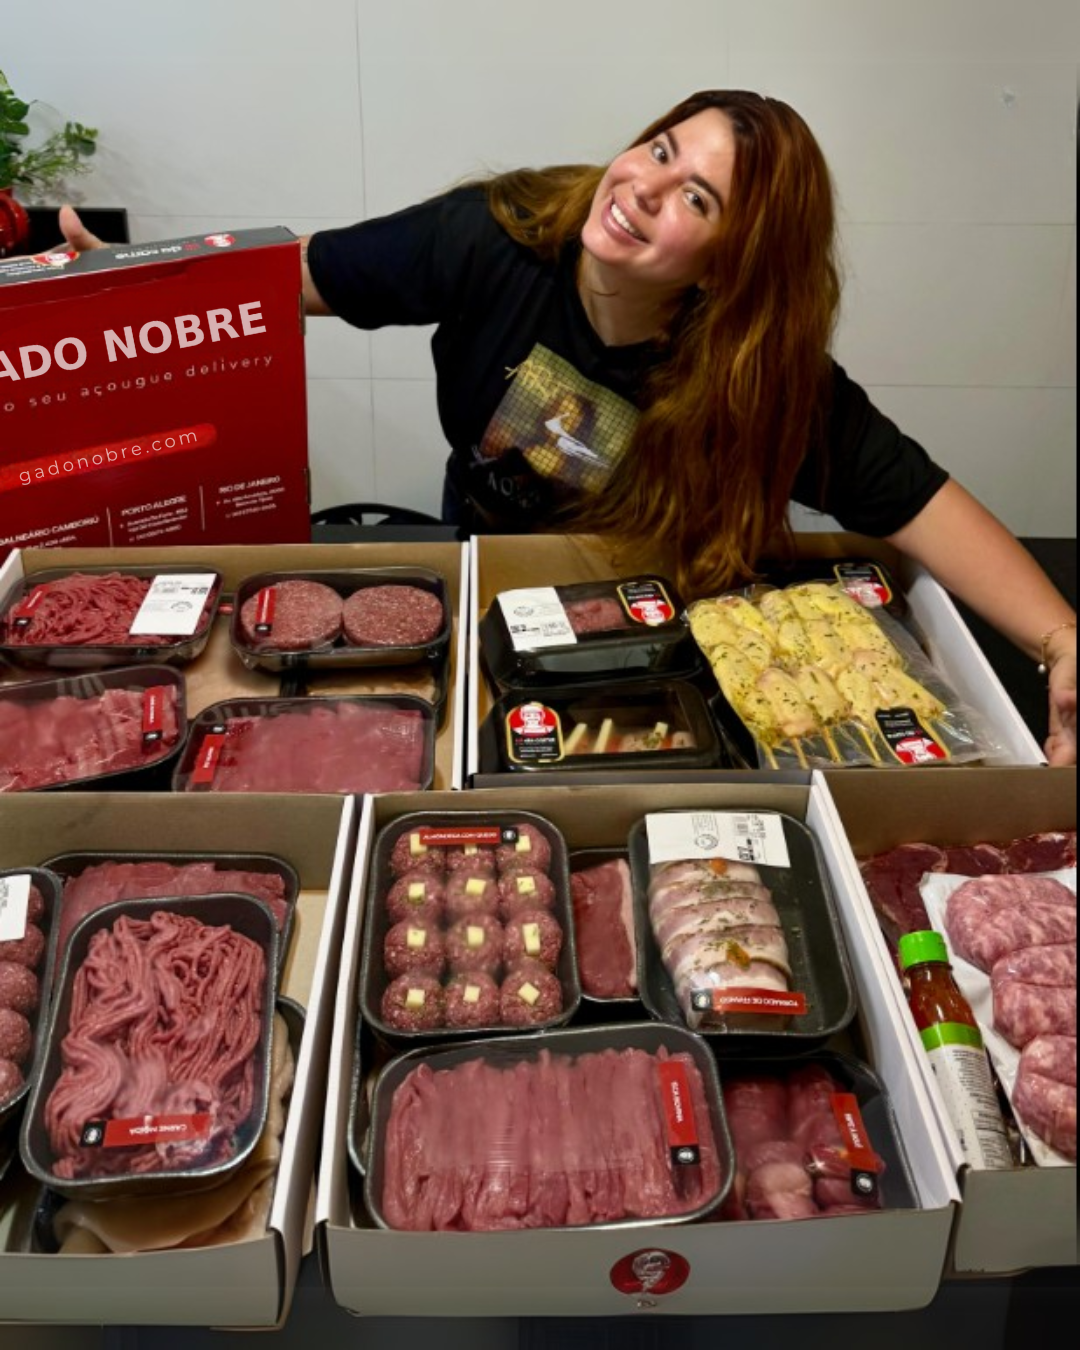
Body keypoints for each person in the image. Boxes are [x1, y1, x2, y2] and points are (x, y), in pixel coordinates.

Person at [59, 89, 1076, 765]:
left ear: (728, 264)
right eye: (661, 149)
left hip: (657, 637)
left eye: (696, 198)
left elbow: (916, 498)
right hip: (489, 586)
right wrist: (115, 282)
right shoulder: (493, 237)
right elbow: (290, 277)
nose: (641, 188)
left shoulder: (756, 370)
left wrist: (1063, 640)